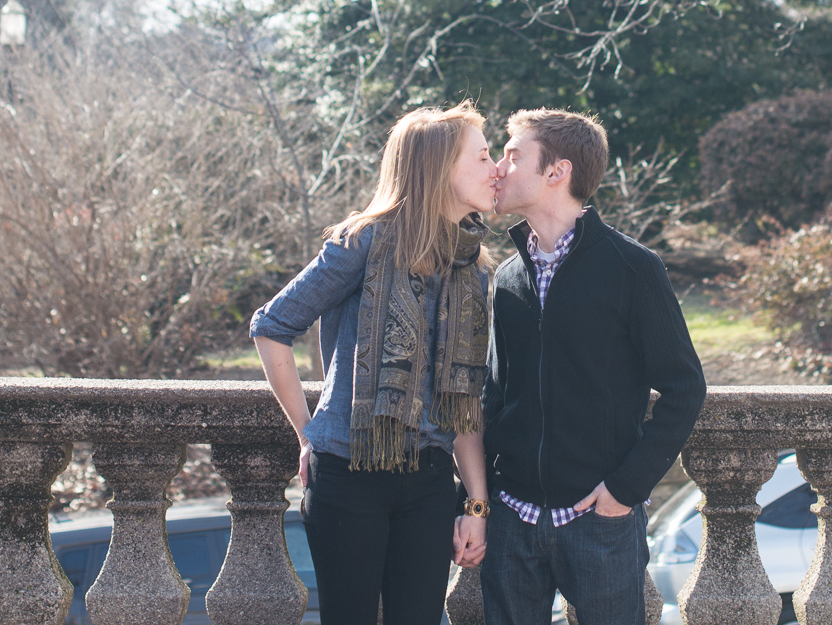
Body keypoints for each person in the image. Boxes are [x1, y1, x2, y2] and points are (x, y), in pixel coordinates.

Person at [250, 104, 502, 625]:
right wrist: (307, 433)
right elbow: (272, 327)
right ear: (439, 169)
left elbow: (464, 399)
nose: (496, 166)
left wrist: (475, 504)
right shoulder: (361, 243)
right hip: (349, 473)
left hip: (430, 479)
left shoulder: (470, 266)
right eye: (482, 156)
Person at [481, 108, 706, 625]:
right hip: (513, 517)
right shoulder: (510, 277)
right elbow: (494, 395)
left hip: (597, 521)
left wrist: (625, 490)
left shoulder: (633, 268)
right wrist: (475, 500)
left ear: (557, 172)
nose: (498, 167)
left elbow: (684, 387)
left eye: (513, 156)